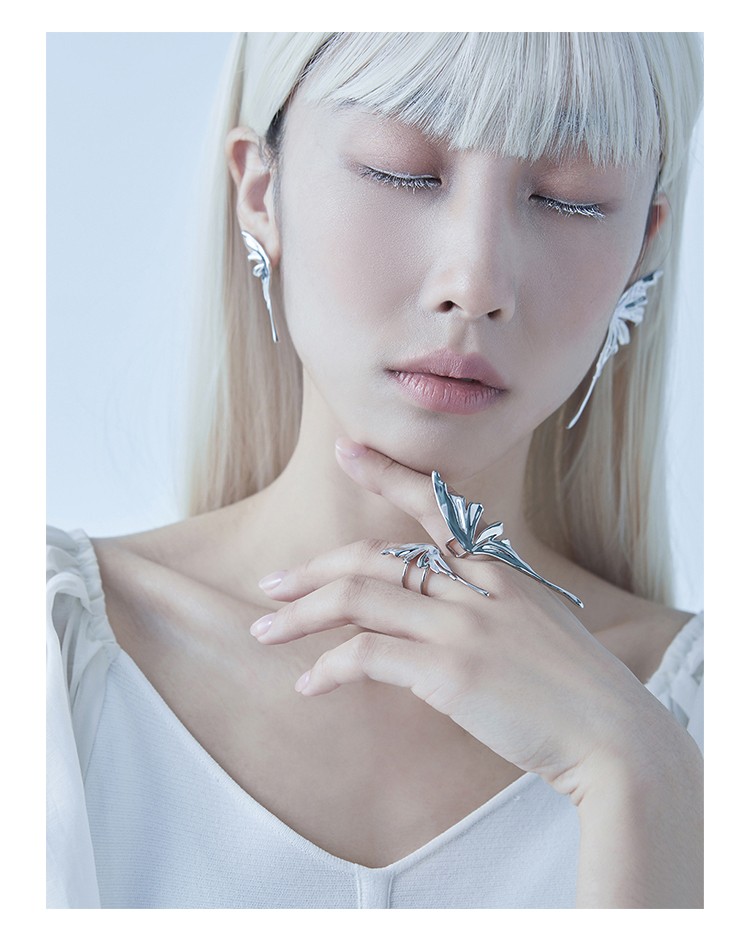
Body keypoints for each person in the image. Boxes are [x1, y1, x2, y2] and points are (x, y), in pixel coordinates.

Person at [47, 32, 704, 909]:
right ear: (261, 189)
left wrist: (641, 779)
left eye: (569, 199)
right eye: (403, 172)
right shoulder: (49, 660)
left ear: (641, 248)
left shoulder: (697, 724)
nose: (475, 282)